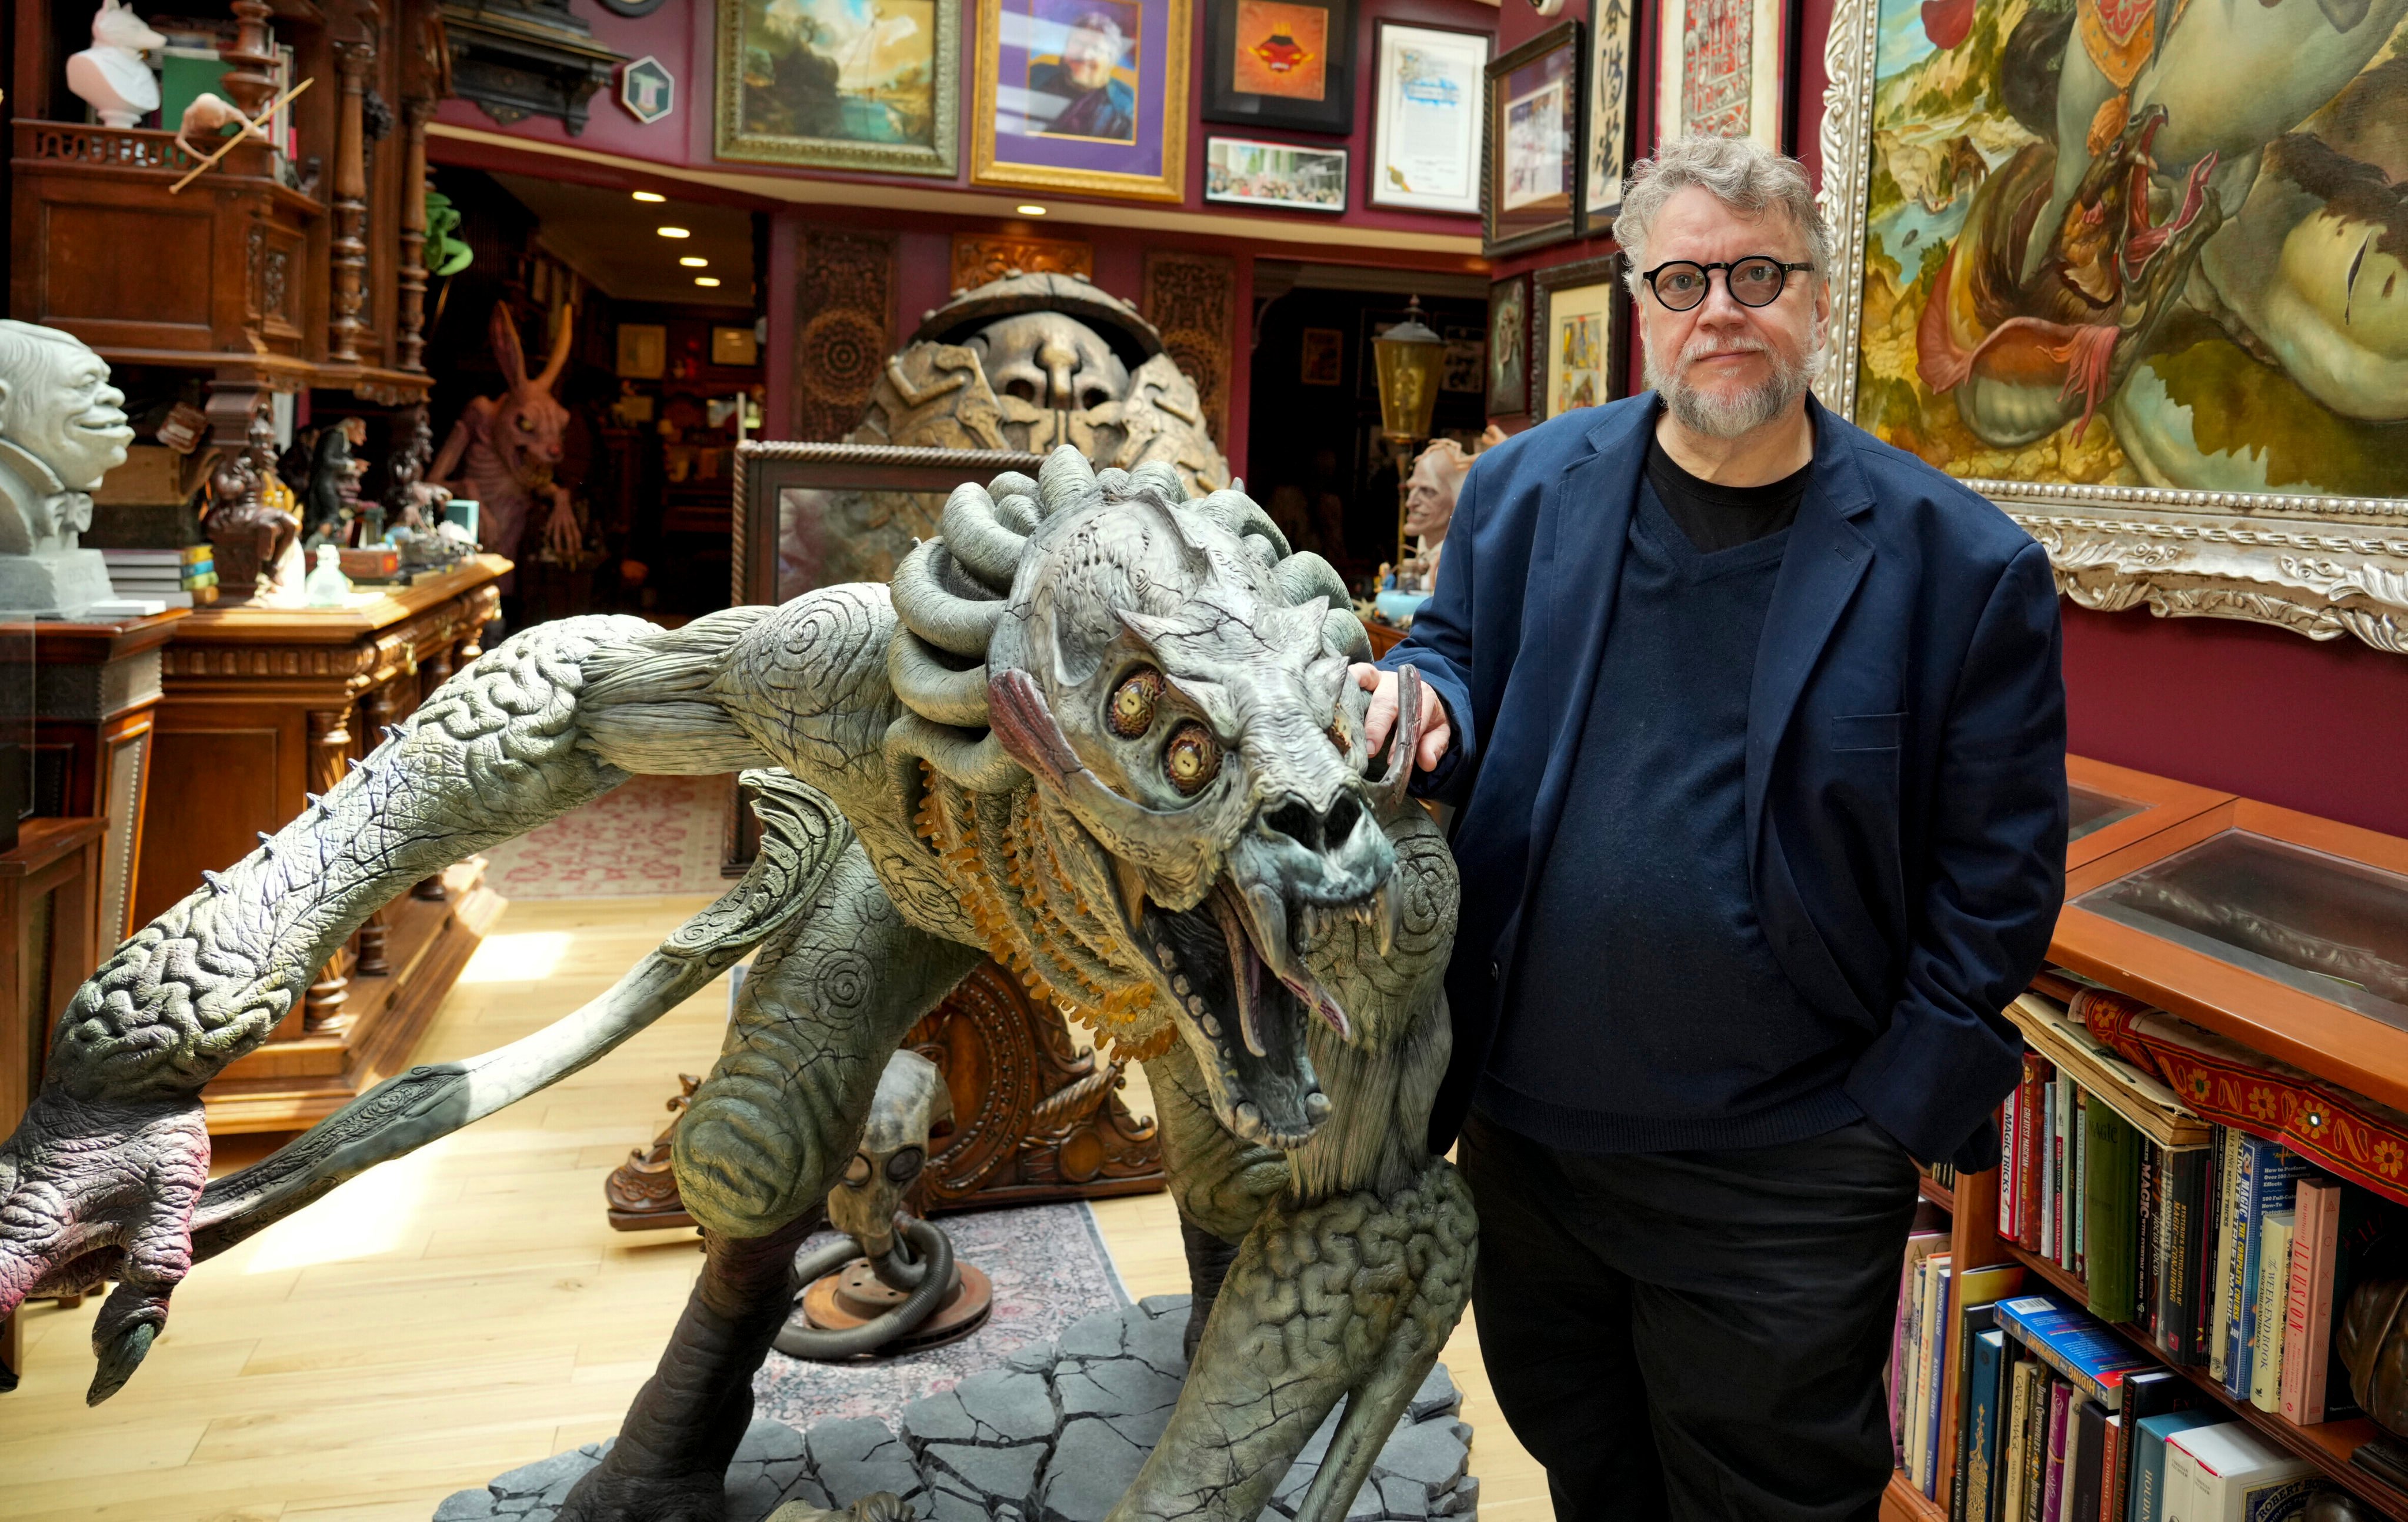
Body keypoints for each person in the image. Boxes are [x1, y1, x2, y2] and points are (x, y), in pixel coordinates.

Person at [1356, 134, 2067, 1520]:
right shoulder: (1520, 496)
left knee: (1768, 1503)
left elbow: (1996, 882)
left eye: (1754, 272)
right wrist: (1425, 698)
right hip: (1528, 1146)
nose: (1718, 307)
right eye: (1681, 277)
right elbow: (1447, 646)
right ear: (1639, 305)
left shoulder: (1959, 568)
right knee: (1588, 1469)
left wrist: (1881, 1125)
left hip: (1784, 1172)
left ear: (1814, 298)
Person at [1029, 10, 1135, 141]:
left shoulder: (1126, 106)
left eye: (1096, 49)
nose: (1085, 55)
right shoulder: (1035, 75)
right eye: (1079, 43)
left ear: (1111, 61)